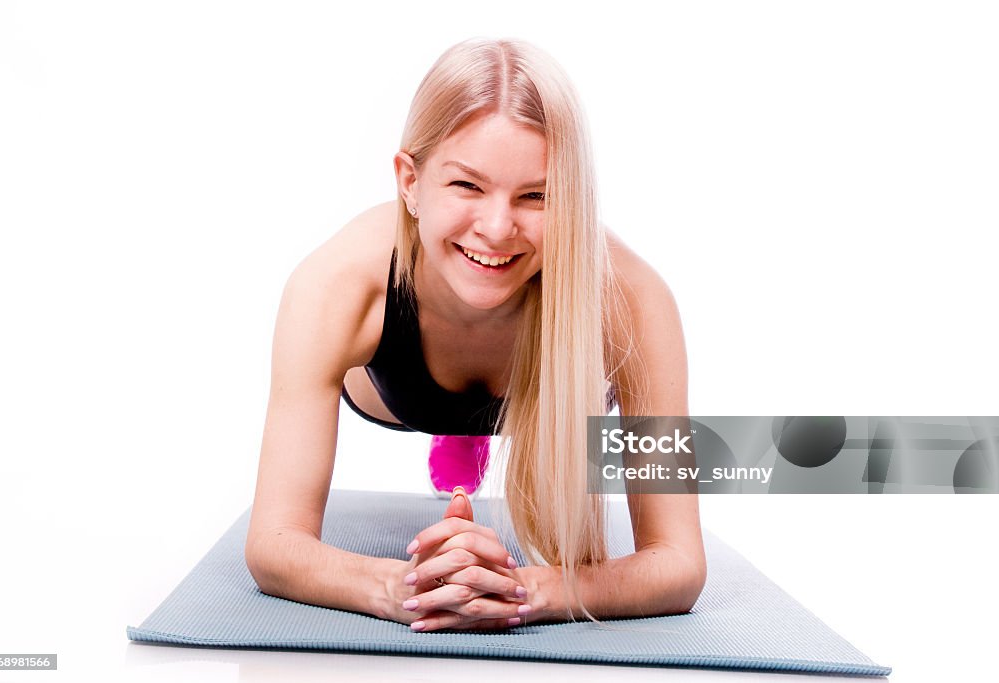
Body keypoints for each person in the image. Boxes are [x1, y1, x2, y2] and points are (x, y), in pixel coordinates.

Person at [244, 37, 706, 633]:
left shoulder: (634, 303)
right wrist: (401, 588)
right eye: (467, 186)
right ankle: (459, 444)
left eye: (537, 196)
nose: (496, 228)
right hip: (398, 395)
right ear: (410, 182)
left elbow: (679, 562)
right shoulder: (335, 286)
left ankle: (475, 442)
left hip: (545, 391)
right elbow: (274, 543)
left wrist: (523, 590)